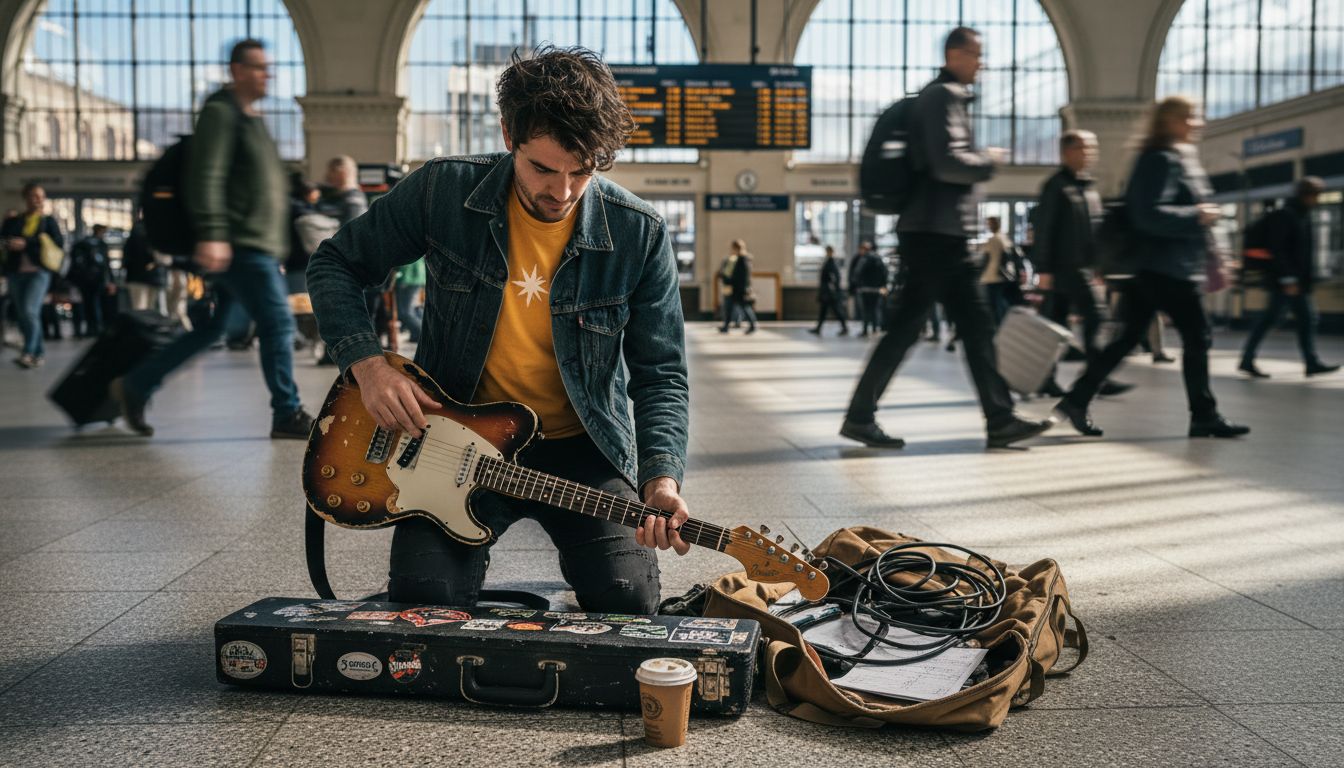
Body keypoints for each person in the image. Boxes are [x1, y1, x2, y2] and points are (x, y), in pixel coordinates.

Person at [306, 45, 691, 613]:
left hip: (582, 449)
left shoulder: (640, 233)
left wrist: (661, 478)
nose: (561, 192)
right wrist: (367, 365)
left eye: (581, 172)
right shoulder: (442, 191)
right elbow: (335, 263)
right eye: (542, 168)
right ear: (510, 134)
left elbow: (660, 375)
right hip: (452, 442)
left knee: (627, 604)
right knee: (425, 602)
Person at [839, 27, 1051, 450]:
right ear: (955, 54)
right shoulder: (944, 96)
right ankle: (996, 417)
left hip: (936, 233)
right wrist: (986, 161)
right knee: (936, 328)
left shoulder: (942, 96)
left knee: (964, 328)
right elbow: (947, 163)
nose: (981, 63)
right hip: (936, 234)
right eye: (976, 54)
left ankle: (998, 417)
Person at [110, 39, 310, 439]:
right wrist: (213, 233)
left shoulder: (251, 118)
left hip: (257, 246)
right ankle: (287, 412)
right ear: (237, 70)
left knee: (215, 329)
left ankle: (136, 384)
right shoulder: (221, 114)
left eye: (267, 67)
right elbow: (207, 176)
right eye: (257, 67)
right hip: (239, 244)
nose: (265, 74)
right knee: (278, 324)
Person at [1054, 96, 1249, 439]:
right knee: (1197, 336)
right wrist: (1198, 214)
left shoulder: (1169, 157)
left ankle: (1076, 400)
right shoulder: (1160, 159)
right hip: (1167, 269)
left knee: (1126, 339)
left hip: (1159, 268)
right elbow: (1148, 215)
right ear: (1172, 121)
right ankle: (1204, 415)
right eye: (1191, 117)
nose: (1198, 124)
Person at [1033, 130, 1132, 398]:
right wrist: (1043, 268)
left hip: (1083, 269)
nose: (1090, 153)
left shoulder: (1087, 187)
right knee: (1096, 316)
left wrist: (1100, 265)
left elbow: (1094, 232)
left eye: (1092, 147)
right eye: (1083, 148)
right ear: (1067, 152)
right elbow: (1044, 229)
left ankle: (1051, 378)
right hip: (1065, 268)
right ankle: (1096, 376)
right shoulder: (1056, 186)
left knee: (1059, 323)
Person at [1238, 177, 1339, 378]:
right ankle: (1248, 359)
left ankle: (1310, 362)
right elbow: (1278, 249)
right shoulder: (1286, 215)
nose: (1317, 200)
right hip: (1285, 281)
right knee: (1273, 319)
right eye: (1316, 195)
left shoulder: (1303, 215)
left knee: (1304, 319)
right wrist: (1288, 279)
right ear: (1306, 195)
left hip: (1297, 281)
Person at [1, 183, 65, 369]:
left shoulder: (48, 221)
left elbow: (58, 243)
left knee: (30, 311)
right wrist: (10, 242)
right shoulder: (14, 220)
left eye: (41, 196)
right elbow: (2, 240)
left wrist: (27, 243)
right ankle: (38, 353)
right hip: (15, 273)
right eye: (34, 196)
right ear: (26, 198)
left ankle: (28, 351)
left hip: (39, 273)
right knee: (23, 314)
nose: (38, 200)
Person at [68, 224, 115, 338]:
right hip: (97, 280)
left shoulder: (82, 243)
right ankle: (95, 328)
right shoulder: (100, 245)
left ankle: (85, 329)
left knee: (84, 304)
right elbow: (106, 265)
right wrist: (110, 280)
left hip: (83, 280)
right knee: (95, 304)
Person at [978, 216, 1015, 324]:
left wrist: (979, 273)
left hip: (992, 276)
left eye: (989, 224)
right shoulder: (1004, 237)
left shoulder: (993, 239)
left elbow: (986, 259)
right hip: (1003, 276)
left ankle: (999, 325)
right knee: (1001, 301)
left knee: (995, 304)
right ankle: (1006, 323)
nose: (988, 226)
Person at [718, 239, 758, 334]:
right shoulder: (739, 259)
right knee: (729, 307)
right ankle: (726, 326)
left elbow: (739, 276)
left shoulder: (742, 260)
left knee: (744, 308)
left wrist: (728, 280)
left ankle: (752, 325)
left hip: (739, 289)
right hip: (736, 288)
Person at [809, 245, 849, 336]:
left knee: (836, 310)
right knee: (824, 310)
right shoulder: (828, 262)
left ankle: (844, 327)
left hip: (829, 293)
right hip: (827, 292)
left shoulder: (831, 263)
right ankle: (819, 328)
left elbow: (835, 278)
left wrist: (833, 289)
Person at [317, 155, 369, 225]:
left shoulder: (354, 199)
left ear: (343, 173)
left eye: (332, 170)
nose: (327, 175)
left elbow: (351, 230)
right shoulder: (333, 194)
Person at [854, 246, 888, 337]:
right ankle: (874, 328)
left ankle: (865, 330)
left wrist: (858, 285)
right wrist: (883, 286)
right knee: (875, 309)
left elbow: (857, 273)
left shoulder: (863, 259)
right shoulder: (879, 260)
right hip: (877, 289)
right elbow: (885, 273)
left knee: (865, 310)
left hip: (865, 289)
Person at [394, 257, 425, 344]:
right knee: (415, 309)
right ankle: (415, 335)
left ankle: (420, 334)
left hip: (408, 280)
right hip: (418, 278)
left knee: (405, 312)